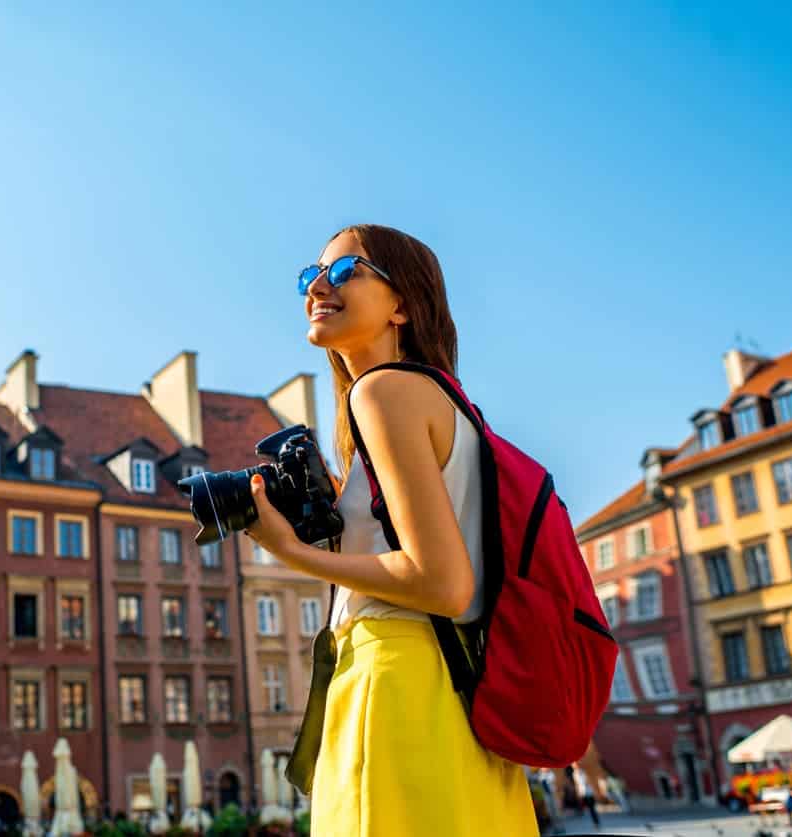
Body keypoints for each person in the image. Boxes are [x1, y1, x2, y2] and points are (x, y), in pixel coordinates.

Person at [245, 224, 537, 835]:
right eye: (310, 276)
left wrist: (292, 552)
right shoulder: (442, 400)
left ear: (402, 304)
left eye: (345, 271)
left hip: (395, 688)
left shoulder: (383, 393)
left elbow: (442, 582)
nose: (318, 286)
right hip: (454, 695)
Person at [571, 762, 600, 827]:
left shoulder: (583, 772)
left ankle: (596, 822)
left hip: (589, 791)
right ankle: (582, 817)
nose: (575, 766)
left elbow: (589, 781)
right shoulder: (574, 774)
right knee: (584, 807)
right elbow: (576, 784)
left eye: (576, 765)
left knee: (592, 808)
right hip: (582, 792)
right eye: (574, 766)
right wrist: (578, 792)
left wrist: (594, 790)